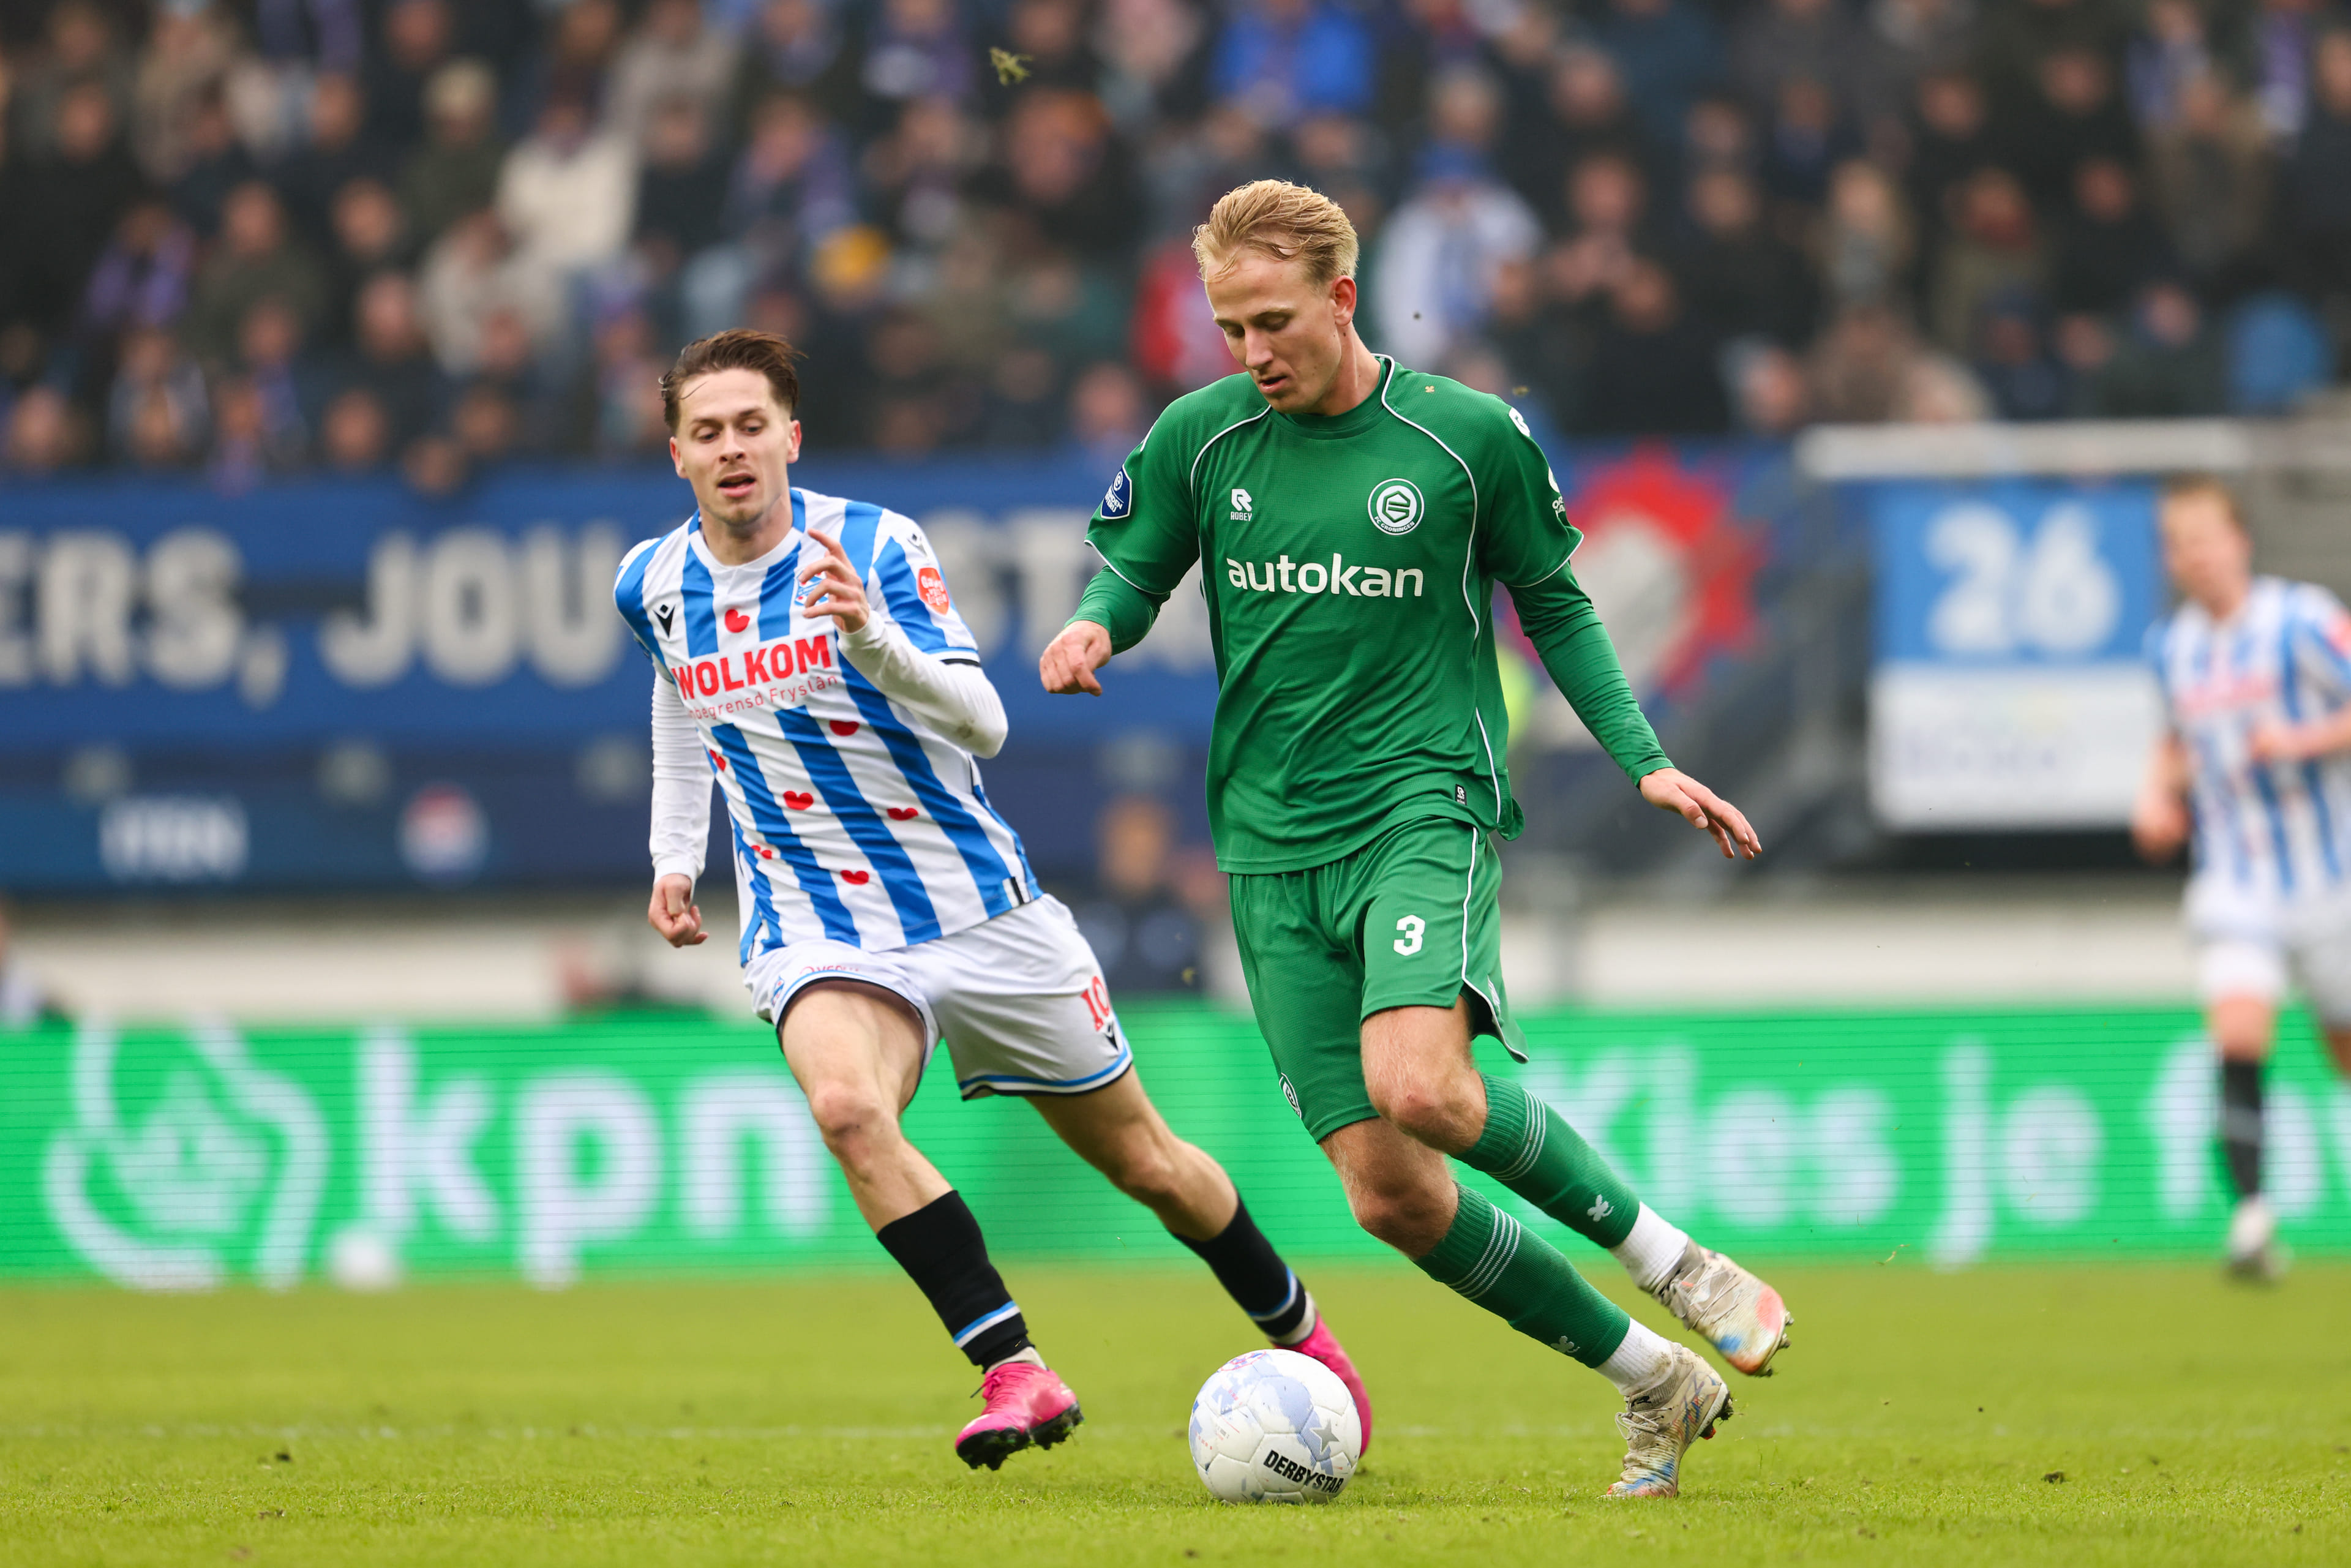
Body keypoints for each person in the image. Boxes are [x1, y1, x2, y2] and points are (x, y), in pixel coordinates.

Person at [1039, 180, 1790, 1501]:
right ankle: (1655, 1381)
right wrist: (1098, 619)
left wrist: (1645, 760)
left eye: (1274, 322)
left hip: (1420, 803)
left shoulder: (1463, 437)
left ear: (1343, 297)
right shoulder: (1201, 439)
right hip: (1268, 848)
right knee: (1391, 1195)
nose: (1252, 352)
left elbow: (1555, 600)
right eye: (1230, 329)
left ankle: (1682, 1266)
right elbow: (1137, 564)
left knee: (1424, 1087)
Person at [618, 328, 1368, 1473]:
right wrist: (675, 854)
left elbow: (986, 722)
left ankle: (1303, 1334)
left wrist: (868, 636)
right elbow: (679, 703)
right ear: (676, 453)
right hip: (816, 923)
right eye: (707, 431)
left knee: (1150, 1164)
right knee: (848, 1109)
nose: (732, 449)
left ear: (791, 438)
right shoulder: (651, 582)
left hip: (979, 909)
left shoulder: (876, 545)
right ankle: (1012, 1363)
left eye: (752, 426)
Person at [2132, 475, 2351, 1281]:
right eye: (2178, 542)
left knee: (2343, 1050)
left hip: (2332, 880)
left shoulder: (2303, 619)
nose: (2193, 555)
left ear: (2240, 541)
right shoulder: (2171, 646)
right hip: (2234, 878)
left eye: (2205, 537)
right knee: (2238, 1034)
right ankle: (2253, 1218)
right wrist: (2155, 794)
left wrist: (2302, 739)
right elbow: (2175, 741)